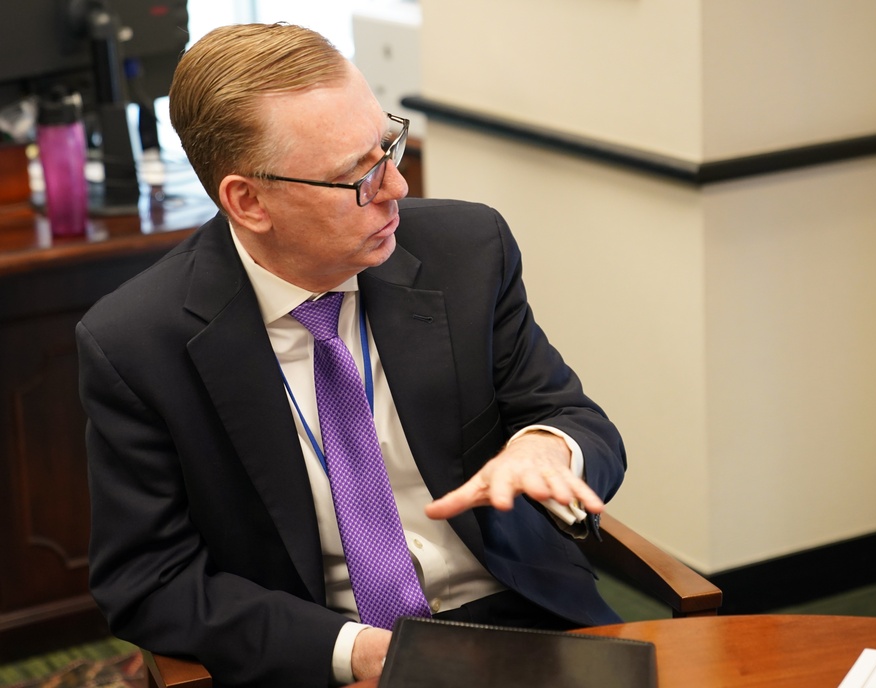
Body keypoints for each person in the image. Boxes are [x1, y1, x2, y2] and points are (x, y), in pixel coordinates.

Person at [78, 22, 626, 688]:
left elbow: (572, 416)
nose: (395, 186)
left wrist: (546, 446)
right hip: (318, 652)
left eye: (386, 147)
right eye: (358, 177)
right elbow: (148, 580)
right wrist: (358, 652)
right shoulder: (137, 341)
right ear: (248, 201)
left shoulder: (466, 250)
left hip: (518, 623)